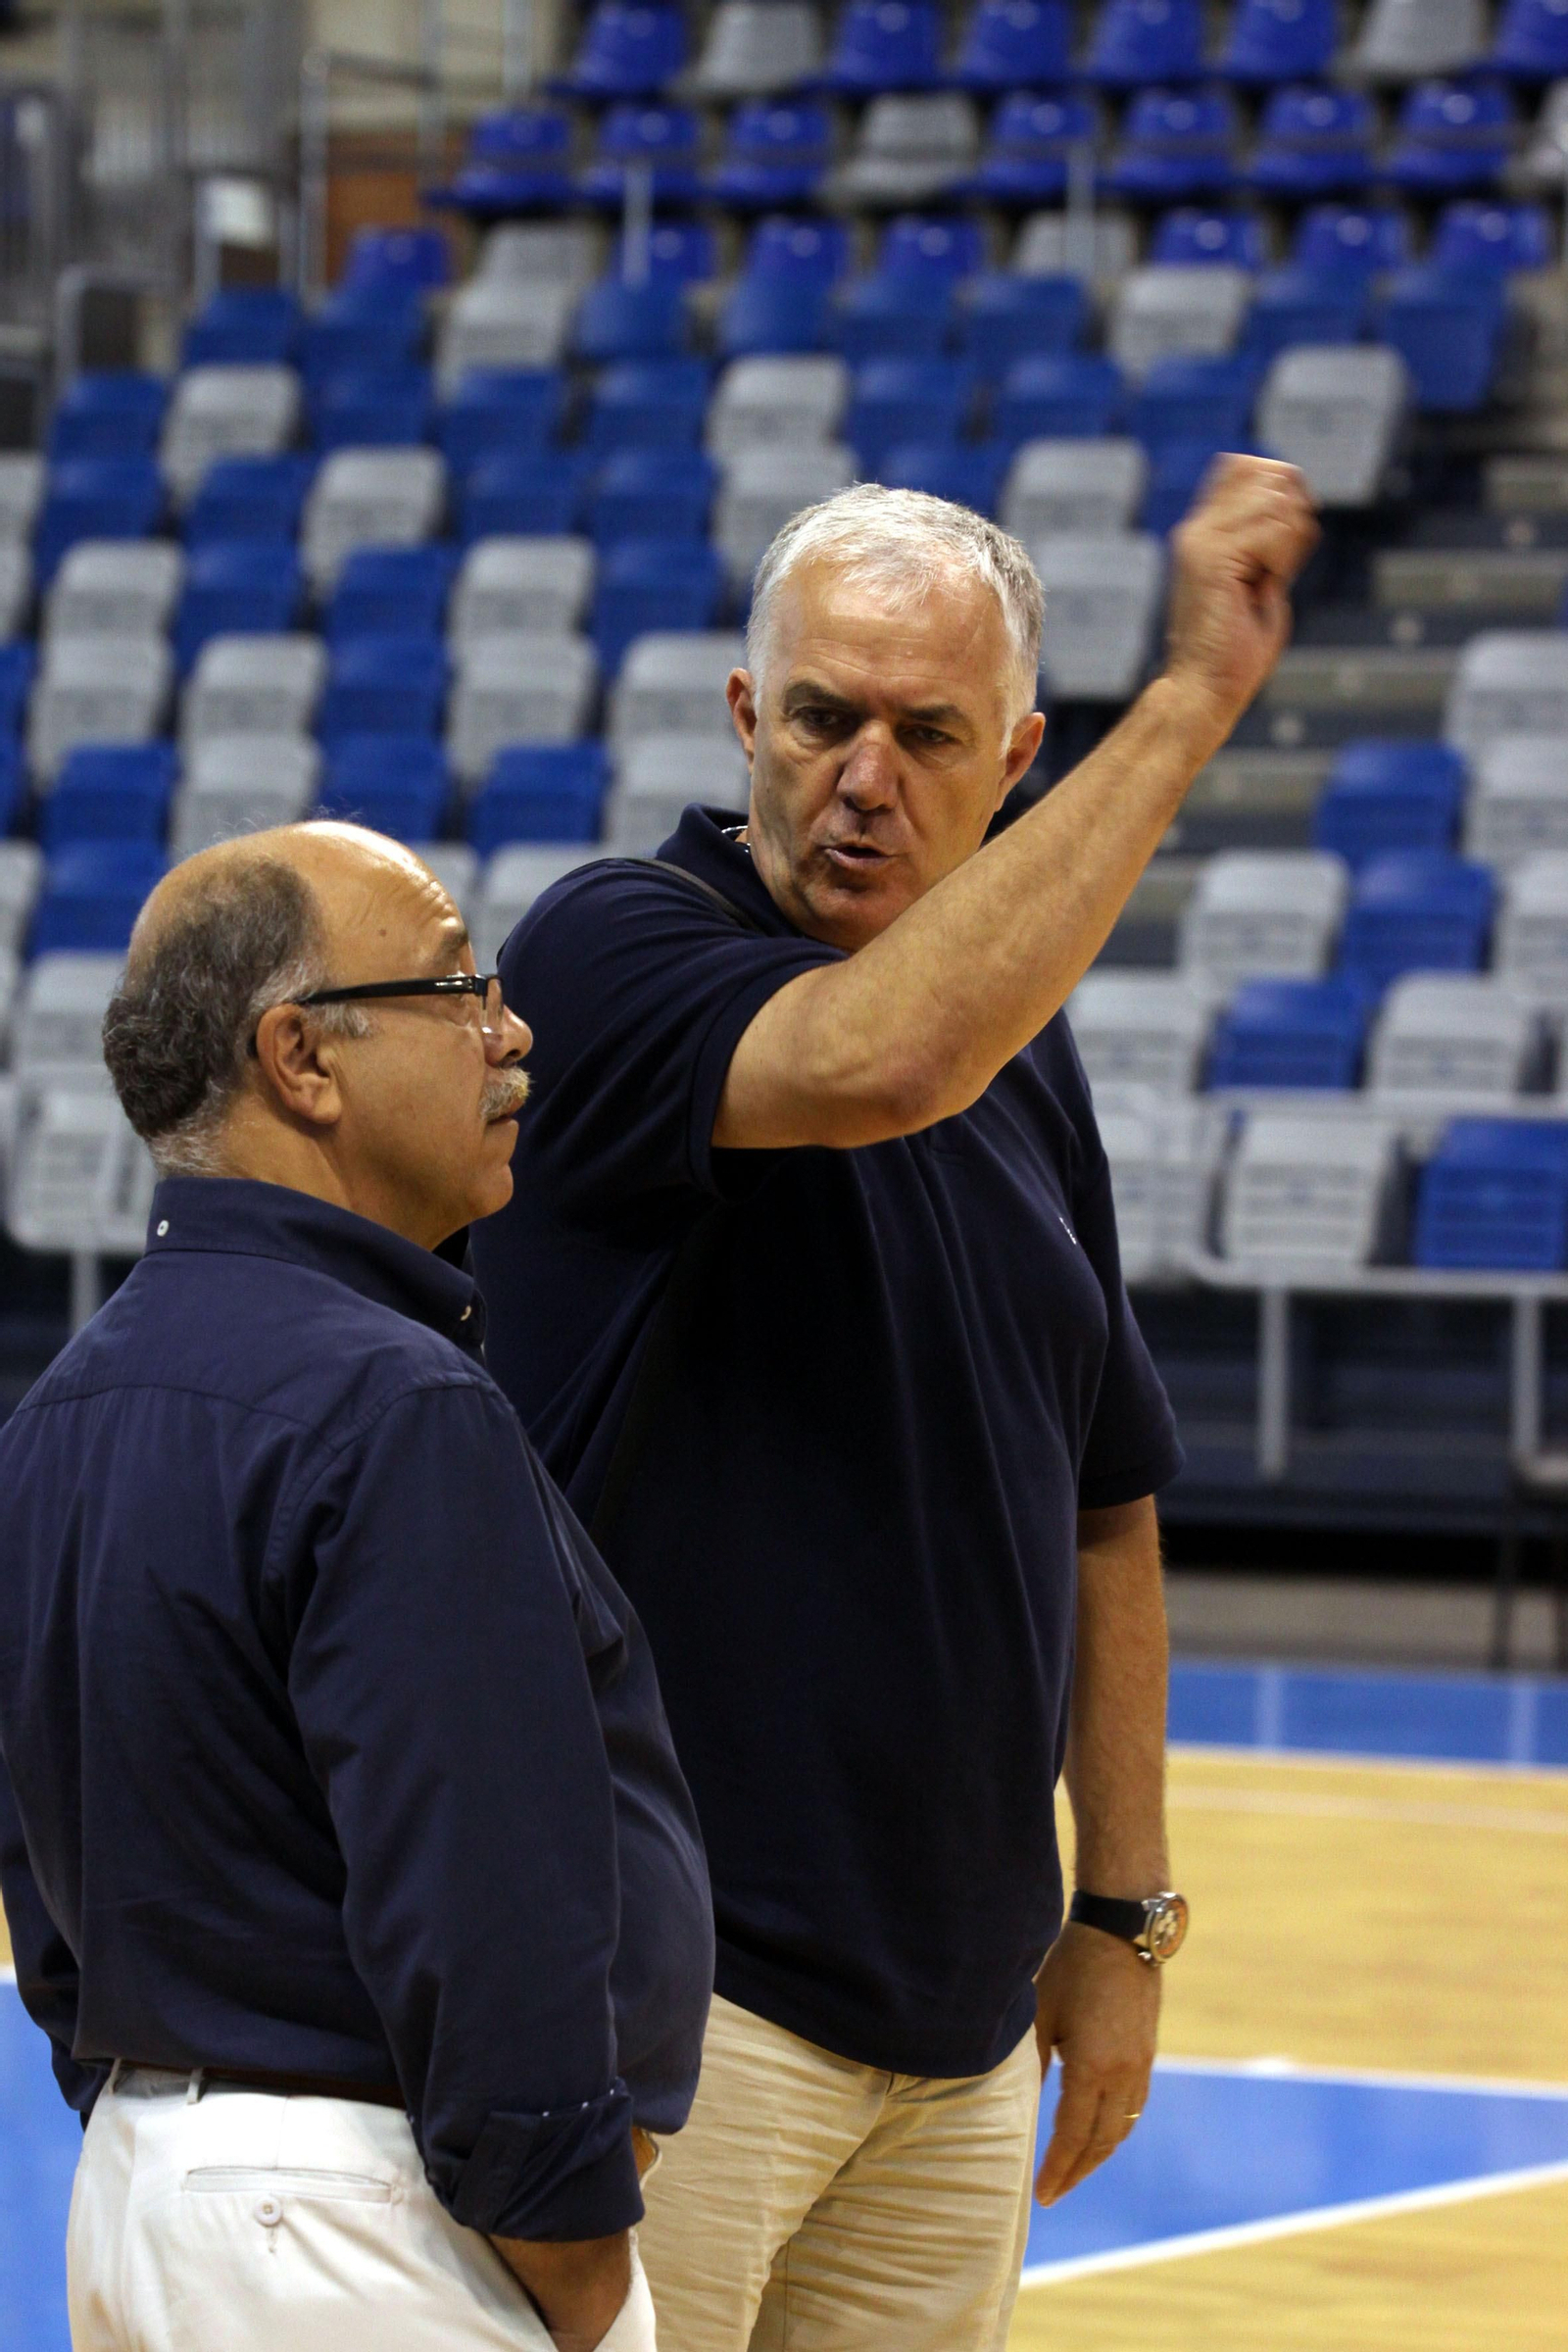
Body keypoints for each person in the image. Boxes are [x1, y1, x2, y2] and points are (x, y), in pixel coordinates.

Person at [469, 458, 1320, 2349]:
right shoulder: (608, 959)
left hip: (961, 2027)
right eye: (827, 718)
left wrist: (1123, 1914)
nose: (868, 775)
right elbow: (884, 1057)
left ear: (1013, 757)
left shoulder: (1032, 1060)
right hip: (676, 2004)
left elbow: (1107, 1493)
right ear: (745, 718)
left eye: (929, 733)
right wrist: (1188, 699)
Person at [0, 822, 713, 2352]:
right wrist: (583, 2268)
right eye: (460, 985)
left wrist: (174, 2123)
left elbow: (46, 1893)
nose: (512, 1031)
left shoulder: (56, 1409)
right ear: (301, 1059)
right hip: (372, 2220)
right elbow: (488, 1911)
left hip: (146, 2193)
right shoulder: (397, 1404)